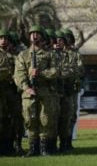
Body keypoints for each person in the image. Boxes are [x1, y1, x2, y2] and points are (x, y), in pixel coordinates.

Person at [14, 25, 58, 156]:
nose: (34, 35)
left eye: (37, 33)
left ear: (42, 37)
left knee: (45, 120)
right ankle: (33, 149)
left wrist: (41, 73)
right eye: (32, 33)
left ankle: (44, 149)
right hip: (29, 93)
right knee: (29, 120)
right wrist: (26, 88)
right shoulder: (23, 55)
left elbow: (55, 71)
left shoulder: (49, 55)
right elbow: (19, 74)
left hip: (45, 92)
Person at [61, 28, 84, 149]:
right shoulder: (57, 53)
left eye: (69, 37)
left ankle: (68, 141)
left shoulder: (76, 53)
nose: (67, 39)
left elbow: (80, 69)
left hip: (72, 88)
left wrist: (70, 71)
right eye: (65, 37)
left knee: (72, 115)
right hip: (59, 88)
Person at [0, 29, 17, 156]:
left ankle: (8, 147)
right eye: (1, 38)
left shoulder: (14, 57)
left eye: (6, 38)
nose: (3, 40)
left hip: (11, 92)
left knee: (9, 120)